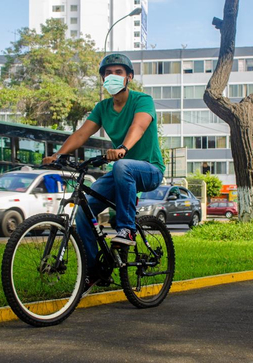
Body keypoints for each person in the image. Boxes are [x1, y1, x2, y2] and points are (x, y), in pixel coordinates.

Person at [42, 53, 165, 292]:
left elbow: (138, 126)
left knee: (122, 165)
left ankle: (127, 229)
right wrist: (58, 155)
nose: (112, 77)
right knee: (83, 212)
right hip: (122, 169)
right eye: (107, 73)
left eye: (118, 72)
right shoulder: (102, 107)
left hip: (149, 169)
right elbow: (80, 134)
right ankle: (96, 271)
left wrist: (123, 149)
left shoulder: (143, 100)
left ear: (129, 77)